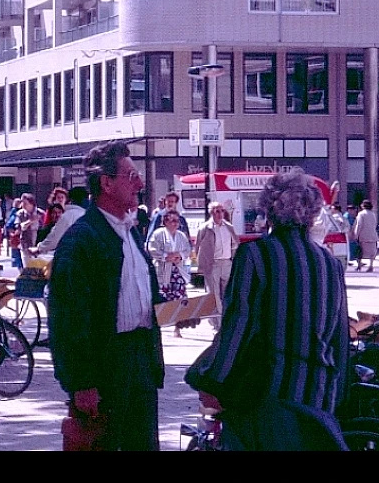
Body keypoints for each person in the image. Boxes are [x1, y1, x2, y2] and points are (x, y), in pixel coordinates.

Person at [184, 171, 350, 451]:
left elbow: (238, 328)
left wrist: (211, 380)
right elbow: (339, 337)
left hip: (267, 400)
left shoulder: (256, 256)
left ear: (268, 209)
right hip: (318, 399)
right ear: (311, 213)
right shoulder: (329, 264)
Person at [47, 141, 164, 451]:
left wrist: (176, 312)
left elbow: (144, 295)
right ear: (106, 183)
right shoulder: (82, 240)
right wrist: (80, 382)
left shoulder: (131, 231)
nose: (140, 183)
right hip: (106, 366)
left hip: (140, 362)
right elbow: (68, 318)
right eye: (131, 175)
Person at [194, 201, 240, 331]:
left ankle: (227, 320)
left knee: (228, 293)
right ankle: (216, 324)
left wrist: (232, 257)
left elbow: (235, 243)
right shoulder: (205, 228)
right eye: (217, 211)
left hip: (226, 263)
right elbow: (197, 246)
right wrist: (200, 264)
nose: (220, 214)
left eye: (221, 211)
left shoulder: (229, 226)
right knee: (213, 295)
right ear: (211, 213)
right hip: (212, 264)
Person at [147, 208, 192, 337]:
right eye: (172, 220)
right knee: (163, 299)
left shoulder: (181, 235)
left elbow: (188, 250)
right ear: (165, 222)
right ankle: (160, 325)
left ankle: (178, 328)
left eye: (177, 221)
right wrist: (166, 256)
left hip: (178, 272)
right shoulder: (158, 234)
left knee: (180, 298)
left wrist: (180, 255)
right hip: (163, 272)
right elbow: (152, 249)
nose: (175, 223)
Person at [32, 187, 88, 262]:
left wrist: (40, 247)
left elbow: (55, 238)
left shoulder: (67, 216)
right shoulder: (88, 215)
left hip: (72, 259)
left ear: (70, 200)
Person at [352, 199, 379, 272]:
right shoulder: (373, 214)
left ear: (363, 205)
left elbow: (359, 225)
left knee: (359, 251)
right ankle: (371, 265)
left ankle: (359, 265)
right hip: (372, 235)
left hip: (363, 235)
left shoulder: (361, 214)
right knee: (372, 252)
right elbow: (375, 224)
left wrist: (356, 235)